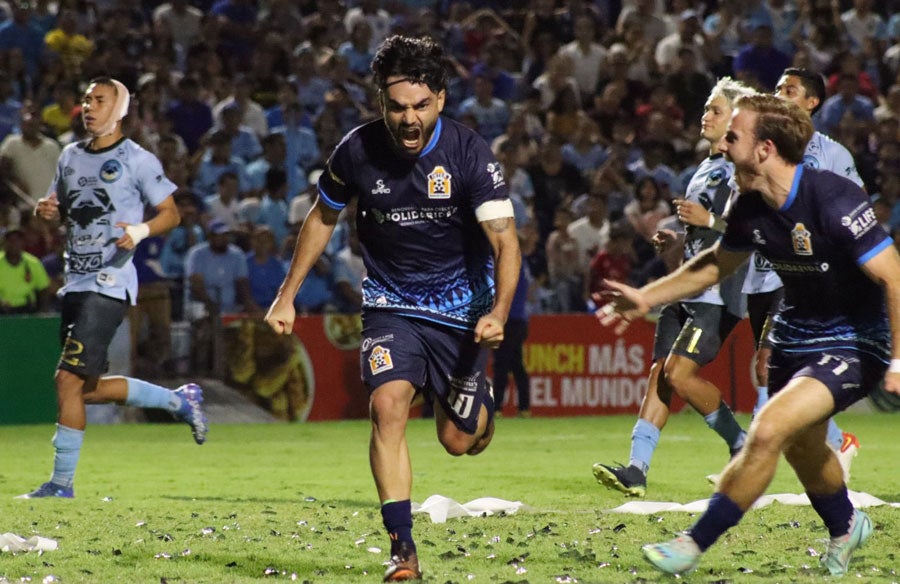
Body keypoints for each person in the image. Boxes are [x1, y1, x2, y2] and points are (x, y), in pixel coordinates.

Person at [598, 94, 900, 577]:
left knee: (768, 430)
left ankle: (692, 545)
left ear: (764, 149)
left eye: (733, 134)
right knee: (803, 446)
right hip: (793, 336)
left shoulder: (833, 198)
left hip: (852, 340)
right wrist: (647, 296)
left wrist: (899, 362)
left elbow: (894, 276)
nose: (722, 140)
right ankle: (847, 525)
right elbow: (717, 263)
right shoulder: (749, 206)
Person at [264, 36, 520, 582]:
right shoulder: (356, 150)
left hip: (462, 310)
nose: (409, 119)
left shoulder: (469, 153)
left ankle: (479, 408)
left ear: (441, 100)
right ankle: (402, 547)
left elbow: (505, 241)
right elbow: (321, 218)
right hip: (390, 304)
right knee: (387, 408)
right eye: (397, 107)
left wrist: (498, 311)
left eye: (420, 106)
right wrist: (286, 295)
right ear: (381, 103)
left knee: (458, 441)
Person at [21, 77, 208, 500]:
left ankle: (61, 484)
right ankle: (180, 401)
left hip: (110, 281)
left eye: (99, 100)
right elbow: (58, 209)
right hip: (76, 280)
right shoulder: (69, 156)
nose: (89, 106)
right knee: (85, 387)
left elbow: (171, 213)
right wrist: (46, 210)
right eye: (86, 99)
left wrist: (141, 229)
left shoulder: (137, 160)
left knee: (66, 380)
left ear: (119, 109)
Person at [592, 78, 757, 497]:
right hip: (688, 286)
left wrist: (709, 223)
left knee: (679, 375)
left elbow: (753, 232)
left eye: (716, 110)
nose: (706, 116)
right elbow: (709, 234)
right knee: (659, 376)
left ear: (735, 119)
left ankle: (742, 445)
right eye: (706, 108)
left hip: (720, 292)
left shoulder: (745, 169)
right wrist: (683, 239)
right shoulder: (704, 166)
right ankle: (636, 470)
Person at [742, 67, 867, 481]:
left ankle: (750, 454)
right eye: (776, 87)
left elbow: (856, 211)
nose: (778, 94)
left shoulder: (833, 155)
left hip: (802, 276)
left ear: (812, 102)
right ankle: (835, 442)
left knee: (768, 362)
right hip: (763, 273)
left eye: (788, 90)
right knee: (780, 371)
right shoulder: (765, 148)